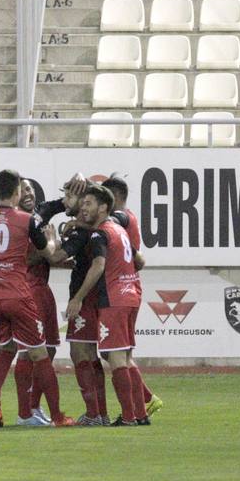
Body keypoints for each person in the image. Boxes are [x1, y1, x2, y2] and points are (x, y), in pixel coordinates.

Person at [0, 169, 72, 427]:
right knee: (40, 354)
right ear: (17, 191)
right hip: (17, 294)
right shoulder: (25, 220)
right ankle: (51, 415)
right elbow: (48, 252)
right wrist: (51, 239)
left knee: (6, 349)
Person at [66, 184, 148, 426]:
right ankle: (140, 414)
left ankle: (129, 417)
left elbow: (98, 265)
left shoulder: (100, 234)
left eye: (89, 203)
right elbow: (140, 259)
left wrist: (78, 297)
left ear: (103, 207)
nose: (83, 207)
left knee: (115, 359)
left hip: (114, 299)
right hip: (132, 294)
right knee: (126, 356)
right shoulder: (118, 229)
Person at [100, 176, 162, 419]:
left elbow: (111, 219)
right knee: (118, 353)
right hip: (129, 286)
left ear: (113, 199)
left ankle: (135, 410)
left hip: (120, 287)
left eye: (103, 197)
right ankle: (143, 404)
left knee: (117, 353)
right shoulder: (128, 219)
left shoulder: (122, 217)